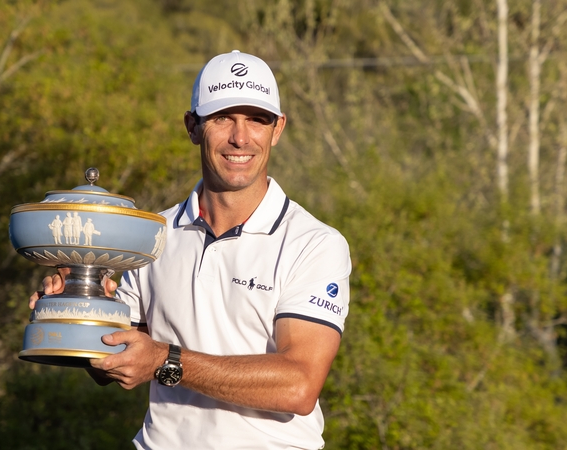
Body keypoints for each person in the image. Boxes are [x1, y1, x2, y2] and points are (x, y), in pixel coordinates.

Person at [30, 50, 351, 449]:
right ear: (192, 127)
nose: (240, 137)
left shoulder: (314, 243)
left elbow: (299, 385)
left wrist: (166, 360)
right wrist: (80, 308)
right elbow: (118, 362)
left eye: (257, 119)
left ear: (278, 128)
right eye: (222, 118)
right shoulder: (149, 235)